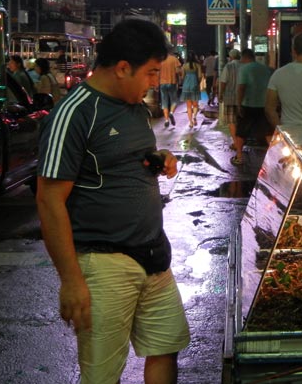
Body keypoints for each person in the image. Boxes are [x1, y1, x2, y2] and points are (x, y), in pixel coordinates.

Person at [35, 19, 190, 384]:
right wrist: (71, 280)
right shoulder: (74, 114)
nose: (156, 82)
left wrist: (160, 161)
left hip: (154, 254)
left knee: (166, 345)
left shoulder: (135, 107)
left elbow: (132, 158)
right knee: (103, 373)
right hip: (103, 262)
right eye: (151, 73)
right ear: (122, 68)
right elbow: (49, 201)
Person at [232, 48, 272, 166]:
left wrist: (238, 104)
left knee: (241, 132)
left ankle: (239, 157)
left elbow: (241, 88)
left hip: (248, 104)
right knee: (267, 132)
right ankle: (272, 159)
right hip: (263, 105)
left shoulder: (244, 69)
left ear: (244, 57)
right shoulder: (265, 69)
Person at [218, 48, 242, 151]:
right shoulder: (244, 66)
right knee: (240, 121)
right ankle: (240, 142)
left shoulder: (228, 66)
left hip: (230, 98)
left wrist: (220, 94)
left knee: (231, 121)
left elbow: (223, 82)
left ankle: (236, 143)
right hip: (243, 99)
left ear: (231, 57)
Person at [160, 49, 182, 128]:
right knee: (174, 101)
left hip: (162, 83)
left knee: (164, 102)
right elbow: (178, 71)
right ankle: (171, 113)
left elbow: (157, 72)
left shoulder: (160, 60)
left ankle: (166, 120)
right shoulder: (174, 59)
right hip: (172, 82)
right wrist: (180, 78)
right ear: (170, 52)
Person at [180, 53, 202, 128]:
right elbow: (200, 76)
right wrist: (197, 82)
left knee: (188, 106)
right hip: (195, 85)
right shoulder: (197, 65)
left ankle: (190, 123)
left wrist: (185, 81)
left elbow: (182, 77)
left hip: (186, 86)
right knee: (195, 104)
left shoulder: (184, 65)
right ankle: (194, 117)